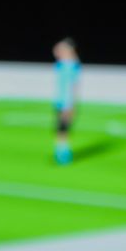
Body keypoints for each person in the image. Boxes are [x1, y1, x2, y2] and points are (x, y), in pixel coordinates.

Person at [53, 37, 82, 165]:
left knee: (63, 127)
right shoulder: (62, 62)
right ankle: (61, 150)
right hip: (59, 98)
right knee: (60, 127)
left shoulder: (73, 64)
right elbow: (56, 50)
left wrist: (73, 103)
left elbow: (74, 85)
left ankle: (63, 152)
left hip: (67, 100)